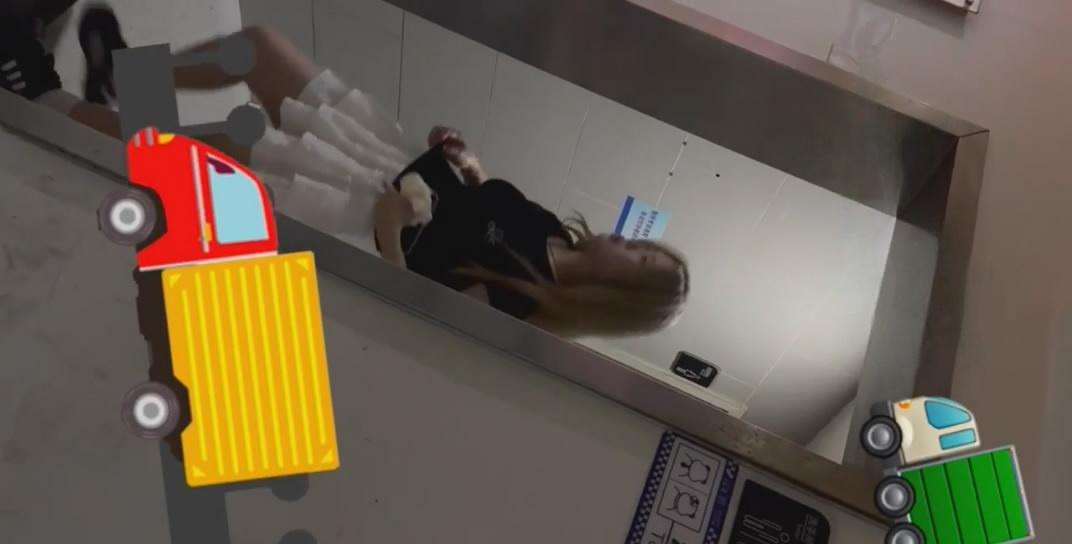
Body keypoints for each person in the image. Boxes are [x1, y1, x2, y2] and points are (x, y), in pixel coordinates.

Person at [1, 8, 690, 338]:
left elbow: (415, 316)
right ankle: (121, 75)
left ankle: (39, 96)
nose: (628, 244)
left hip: (353, 213)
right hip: (382, 151)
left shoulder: (528, 309)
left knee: (190, 152)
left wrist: (389, 232)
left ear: (620, 293)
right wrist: (466, 160)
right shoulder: (556, 234)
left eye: (639, 258)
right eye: (644, 245)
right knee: (258, 48)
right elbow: (485, 203)